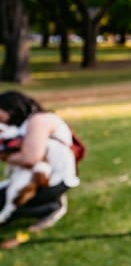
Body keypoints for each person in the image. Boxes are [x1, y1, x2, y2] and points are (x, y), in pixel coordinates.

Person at [0, 90, 79, 231]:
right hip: (37, 178)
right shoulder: (26, 124)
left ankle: (50, 207)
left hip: (51, 181)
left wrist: (5, 155)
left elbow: (30, 158)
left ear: (10, 108)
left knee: (7, 202)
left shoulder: (39, 121)